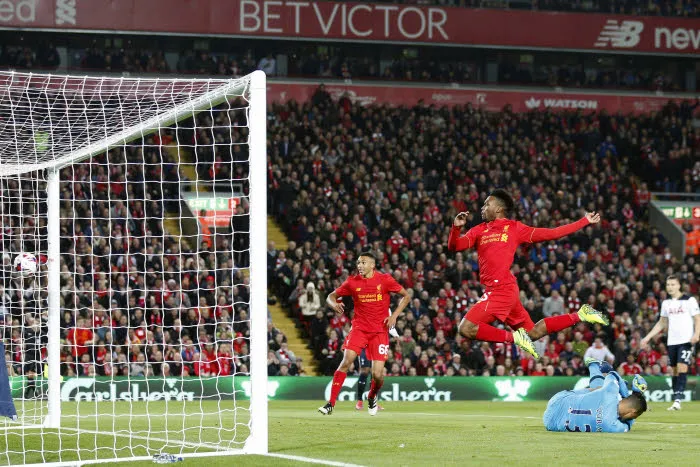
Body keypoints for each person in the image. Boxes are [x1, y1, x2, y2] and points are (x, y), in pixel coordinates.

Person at [448, 189, 609, 358]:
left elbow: (552, 233)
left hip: (501, 290)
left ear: (498, 209)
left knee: (465, 328)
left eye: (487, 204)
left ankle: (515, 338)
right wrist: (456, 228)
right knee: (533, 332)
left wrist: (584, 221)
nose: (482, 207)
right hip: (503, 290)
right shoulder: (478, 230)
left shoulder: (514, 228)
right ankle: (580, 314)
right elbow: (454, 247)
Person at [318, 252, 410, 416]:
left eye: (363, 262)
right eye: (358, 262)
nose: (359, 265)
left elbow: (406, 296)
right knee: (346, 362)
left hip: (380, 331)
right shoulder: (352, 282)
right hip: (359, 329)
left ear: (372, 265)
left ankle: (372, 396)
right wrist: (334, 304)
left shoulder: (385, 279)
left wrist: (394, 315)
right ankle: (330, 403)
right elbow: (331, 296)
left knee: (377, 375)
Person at [640, 275, 700, 411]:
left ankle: (678, 400)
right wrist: (647, 337)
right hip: (672, 341)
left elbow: (697, 319)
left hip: (686, 340)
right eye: (668, 285)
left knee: (681, 367)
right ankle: (676, 398)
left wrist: (696, 334)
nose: (670, 287)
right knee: (673, 370)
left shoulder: (689, 300)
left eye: (673, 284)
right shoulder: (666, 303)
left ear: (679, 285)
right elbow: (662, 323)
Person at [543, 359, 648, 432]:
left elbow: (612, 374)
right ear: (633, 412)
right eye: (635, 416)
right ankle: (593, 365)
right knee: (599, 390)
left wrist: (636, 393)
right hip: (550, 424)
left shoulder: (610, 392)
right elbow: (628, 426)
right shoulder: (613, 426)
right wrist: (636, 397)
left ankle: (593, 364)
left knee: (600, 389)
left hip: (557, 401)